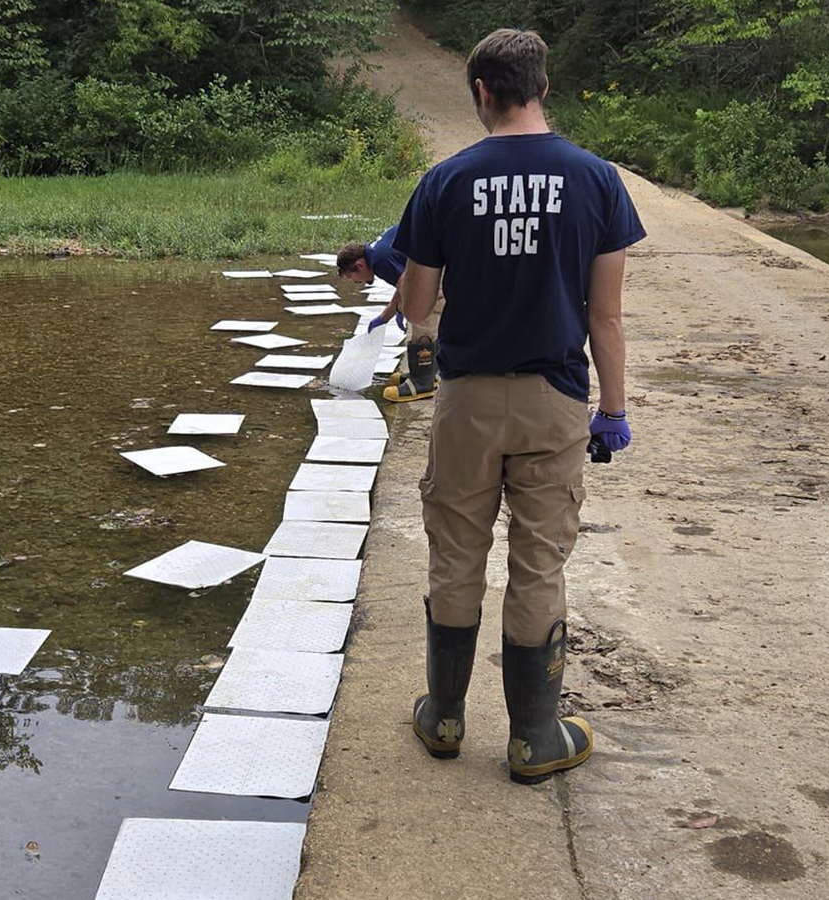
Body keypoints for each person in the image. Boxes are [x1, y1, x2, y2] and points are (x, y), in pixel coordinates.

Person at [391, 27, 644, 784]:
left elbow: (417, 308)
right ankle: (534, 737)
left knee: (456, 555)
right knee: (538, 564)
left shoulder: (446, 181)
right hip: (554, 402)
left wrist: (402, 269)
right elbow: (606, 316)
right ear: (541, 88)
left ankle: (443, 719)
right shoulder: (598, 180)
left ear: (481, 93)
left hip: (467, 402)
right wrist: (614, 409)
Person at [336, 226, 445, 402]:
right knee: (422, 308)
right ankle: (429, 371)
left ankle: (422, 382)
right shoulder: (377, 252)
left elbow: (410, 286)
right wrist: (384, 317)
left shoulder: (379, 260)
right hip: (435, 260)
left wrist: (405, 308)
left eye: (353, 278)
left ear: (360, 265)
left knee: (424, 314)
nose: (358, 283)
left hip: (437, 264)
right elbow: (403, 280)